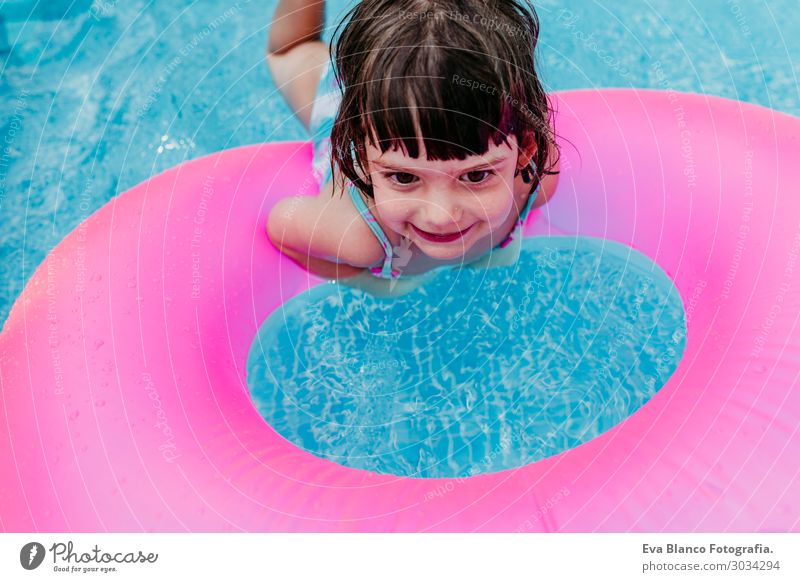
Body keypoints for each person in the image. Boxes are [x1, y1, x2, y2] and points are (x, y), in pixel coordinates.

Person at [266, 0, 560, 296]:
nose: (441, 216)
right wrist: (368, 282)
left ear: (525, 151)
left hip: (420, 106)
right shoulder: (357, 236)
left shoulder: (536, 182)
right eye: (404, 178)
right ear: (365, 160)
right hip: (350, 107)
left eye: (475, 176)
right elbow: (282, 229)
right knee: (290, 52)